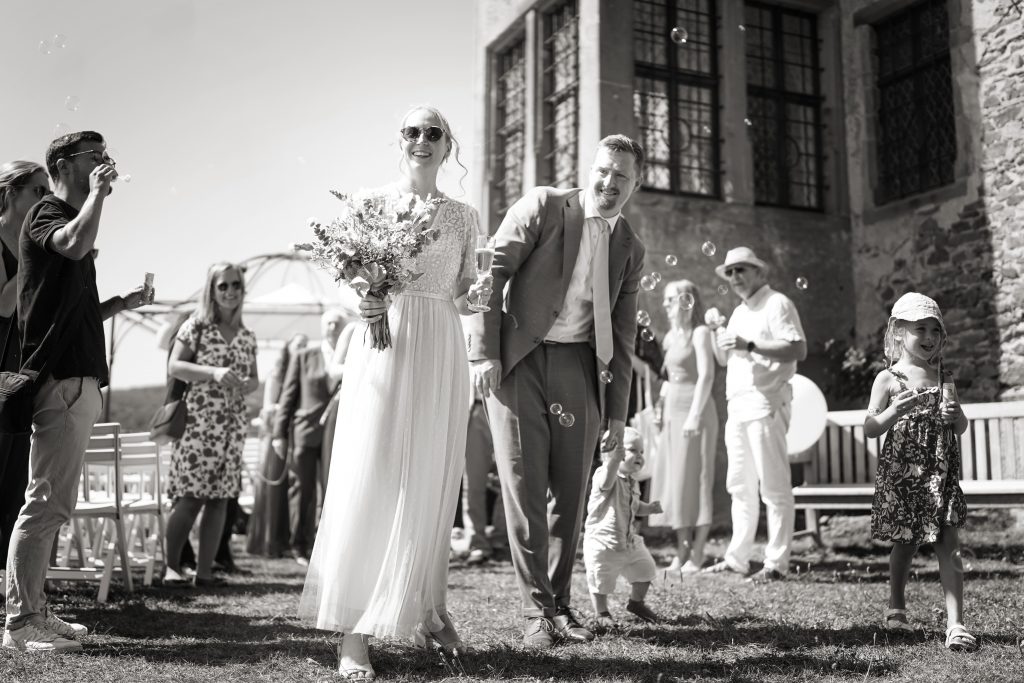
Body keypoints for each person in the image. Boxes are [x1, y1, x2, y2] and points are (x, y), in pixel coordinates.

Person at [298, 105, 480, 682]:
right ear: (399, 140)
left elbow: (463, 294)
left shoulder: (465, 215)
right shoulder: (368, 202)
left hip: (441, 345)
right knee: (371, 471)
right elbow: (347, 276)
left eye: (433, 132)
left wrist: (484, 291)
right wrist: (366, 298)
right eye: (412, 131)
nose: (421, 140)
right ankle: (353, 633)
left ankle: (429, 607)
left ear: (448, 145)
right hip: (385, 342)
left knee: (430, 476)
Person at [468, 135, 647, 648]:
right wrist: (484, 352)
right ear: (590, 169)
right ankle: (536, 613)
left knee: (570, 493)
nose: (609, 182)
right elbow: (490, 272)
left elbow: (624, 335)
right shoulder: (544, 206)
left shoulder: (631, 248)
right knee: (525, 488)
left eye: (621, 175)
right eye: (603, 170)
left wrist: (617, 415)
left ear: (635, 185)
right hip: (518, 361)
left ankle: (562, 605)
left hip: (579, 368)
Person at [4, 132, 149, 653]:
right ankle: (21, 623)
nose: (107, 162)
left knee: (54, 505)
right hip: (62, 381)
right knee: (45, 504)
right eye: (96, 155)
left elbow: (72, 312)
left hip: (76, 379)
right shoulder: (47, 212)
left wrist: (121, 303)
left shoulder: (68, 217)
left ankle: (35, 611)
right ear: (65, 165)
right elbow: (73, 243)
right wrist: (99, 194)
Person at [864, 292, 975, 652]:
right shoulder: (888, 378)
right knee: (905, 543)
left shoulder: (944, 376)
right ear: (898, 332)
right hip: (904, 475)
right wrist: (893, 412)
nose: (929, 337)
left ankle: (955, 625)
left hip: (940, 474)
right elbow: (870, 427)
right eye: (919, 329)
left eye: (934, 329)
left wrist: (956, 416)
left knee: (949, 544)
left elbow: (960, 427)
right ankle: (896, 606)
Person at [704, 246, 806, 583]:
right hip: (738, 405)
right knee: (739, 486)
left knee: (774, 487)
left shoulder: (777, 303)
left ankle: (776, 563)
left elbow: (798, 348)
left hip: (767, 403)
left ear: (760, 272)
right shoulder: (738, 312)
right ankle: (737, 559)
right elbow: (725, 359)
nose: (734, 276)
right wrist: (717, 334)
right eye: (729, 272)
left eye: (741, 269)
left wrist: (747, 344)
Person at [162, 262, 259, 588]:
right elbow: (175, 366)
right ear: (212, 290)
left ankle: (204, 573)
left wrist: (247, 384)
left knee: (220, 500)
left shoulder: (248, 336)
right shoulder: (196, 326)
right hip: (198, 425)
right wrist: (214, 373)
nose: (231, 291)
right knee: (191, 498)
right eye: (223, 285)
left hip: (233, 426)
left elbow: (255, 378)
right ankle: (171, 568)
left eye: (236, 285)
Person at [0, 162, 49, 579]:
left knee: (14, 486)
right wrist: (34, 259)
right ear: (11, 193)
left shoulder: (26, 244)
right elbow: (3, 305)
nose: (45, 199)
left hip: (18, 379)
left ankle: (9, 584)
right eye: (38, 190)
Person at [649, 280, 717, 574]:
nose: (665, 304)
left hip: (695, 412)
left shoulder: (700, 333)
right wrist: (660, 406)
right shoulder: (669, 338)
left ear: (686, 301)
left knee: (697, 480)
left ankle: (698, 554)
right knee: (676, 482)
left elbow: (706, 376)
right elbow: (669, 378)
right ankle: (682, 551)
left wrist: (694, 415)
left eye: (670, 299)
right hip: (672, 413)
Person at [273, 311, 346, 565]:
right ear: (322, 327)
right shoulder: (305, 356)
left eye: (337, 323)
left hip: (337, 434)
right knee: (302, 490)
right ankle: (299, 545)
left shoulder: (352, 357)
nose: (333, 327)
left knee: (333, 490)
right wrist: (279, 433)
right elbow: (288, 395)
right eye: (329, 323)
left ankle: (327, 546)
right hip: (305, 432)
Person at [584, 427, 662, 630]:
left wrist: (649, 508)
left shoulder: (632, 482)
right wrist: (614, 461)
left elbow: (634, 506)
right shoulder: (603, 474)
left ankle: (636, 602)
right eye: (632, 450)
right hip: (603, 541)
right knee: (601, 578)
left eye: (641, 451)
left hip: (628, 540)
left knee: (646, 569)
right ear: (612, 452)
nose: (639, 456)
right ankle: (601, 612)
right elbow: (606, 483)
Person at [246, 332, 308, 558]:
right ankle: (270, 541)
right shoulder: (277, 374)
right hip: (274, 434)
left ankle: (290, 540)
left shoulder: (304, 372)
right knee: (273, 489)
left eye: (304, 345)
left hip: (295, 434)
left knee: (292, 488)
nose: (301, 348)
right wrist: (287, 409)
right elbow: (268, 407)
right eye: (298, 344)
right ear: (288, 347)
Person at [461, 382, 506, 566]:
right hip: (476, 408)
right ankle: (477, 543)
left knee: (510, 482)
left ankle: (501, 540)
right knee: (473, 482)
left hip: (506, 407)